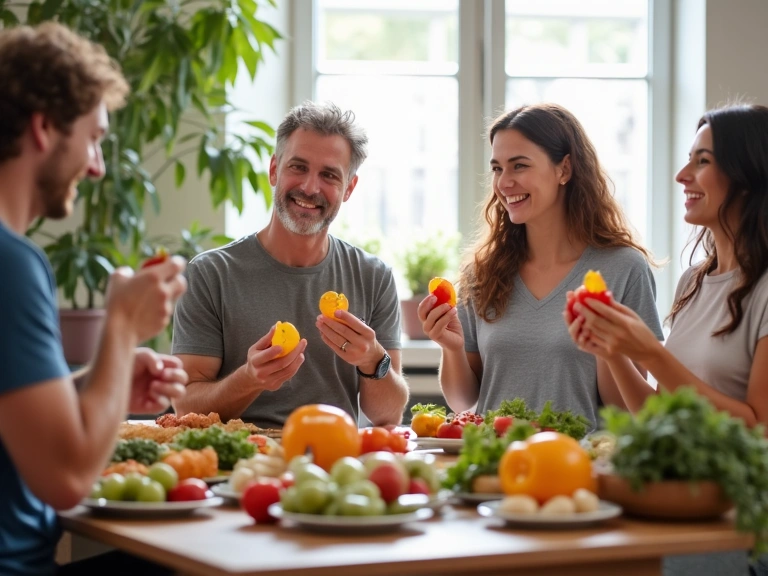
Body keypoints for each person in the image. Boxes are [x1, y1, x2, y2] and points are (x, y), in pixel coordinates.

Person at [0, 23, 188, 575]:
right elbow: (67, 479)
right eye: (94, 138)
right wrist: (123, 326)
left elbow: (17, 415)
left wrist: (98, 378)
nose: (98, 165)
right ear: (43, 128)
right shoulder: (12, 264)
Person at [565, 102, 768, 576]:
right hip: (683, 513)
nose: (682, 175)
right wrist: (613, 352)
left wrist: (650, 352)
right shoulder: (694, 282)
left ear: (750, 173)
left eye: (703, 161)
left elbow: (758, 432)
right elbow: (659, 419)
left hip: (740, 529)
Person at [418, 103, 663, 428]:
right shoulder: (482, 272)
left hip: (580, 466)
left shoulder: (624, 269)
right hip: (497, 465)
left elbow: (624, 409)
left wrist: (605, 348)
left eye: (519, 166)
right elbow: (464, 400)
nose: (504, 183)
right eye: (497, 168)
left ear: (564, 169)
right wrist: (451, 348)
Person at [172, 101, 409, 429]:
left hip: (335, 463)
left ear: (349, 188)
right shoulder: (210, 274)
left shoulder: (374, 277)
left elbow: (388, 414)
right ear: (274, 170)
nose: (310, 188)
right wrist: (250, 378)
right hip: (241, 464)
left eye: (329, 175)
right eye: (298, 167)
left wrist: (372, 360)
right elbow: (186, 407)